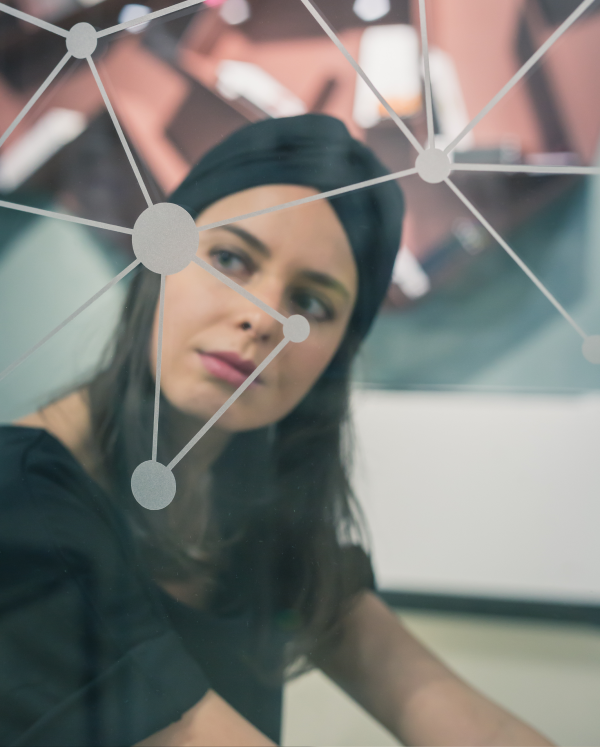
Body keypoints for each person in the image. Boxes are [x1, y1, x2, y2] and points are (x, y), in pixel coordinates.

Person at [0, 114, 552, 747]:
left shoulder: (252, 509)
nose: (262, 319)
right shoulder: (17, 500)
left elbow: (434, 698)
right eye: (231, 258)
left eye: (312, 304)